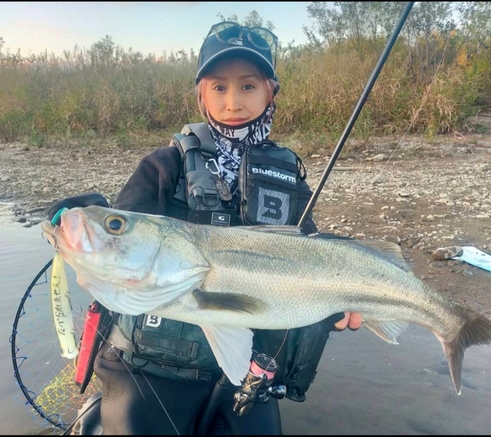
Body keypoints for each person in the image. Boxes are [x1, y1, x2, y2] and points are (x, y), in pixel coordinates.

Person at [48, 21, 362, 435]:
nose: (234, 101)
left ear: (271, 92)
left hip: (247, 374)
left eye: (248, 86)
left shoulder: (290, 178)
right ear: (201, 96)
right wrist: (81, 215)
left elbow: (311, 255)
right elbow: (122, 225)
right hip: (150, 367)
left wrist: (339, 302)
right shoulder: (165, 164)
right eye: (219, 87)